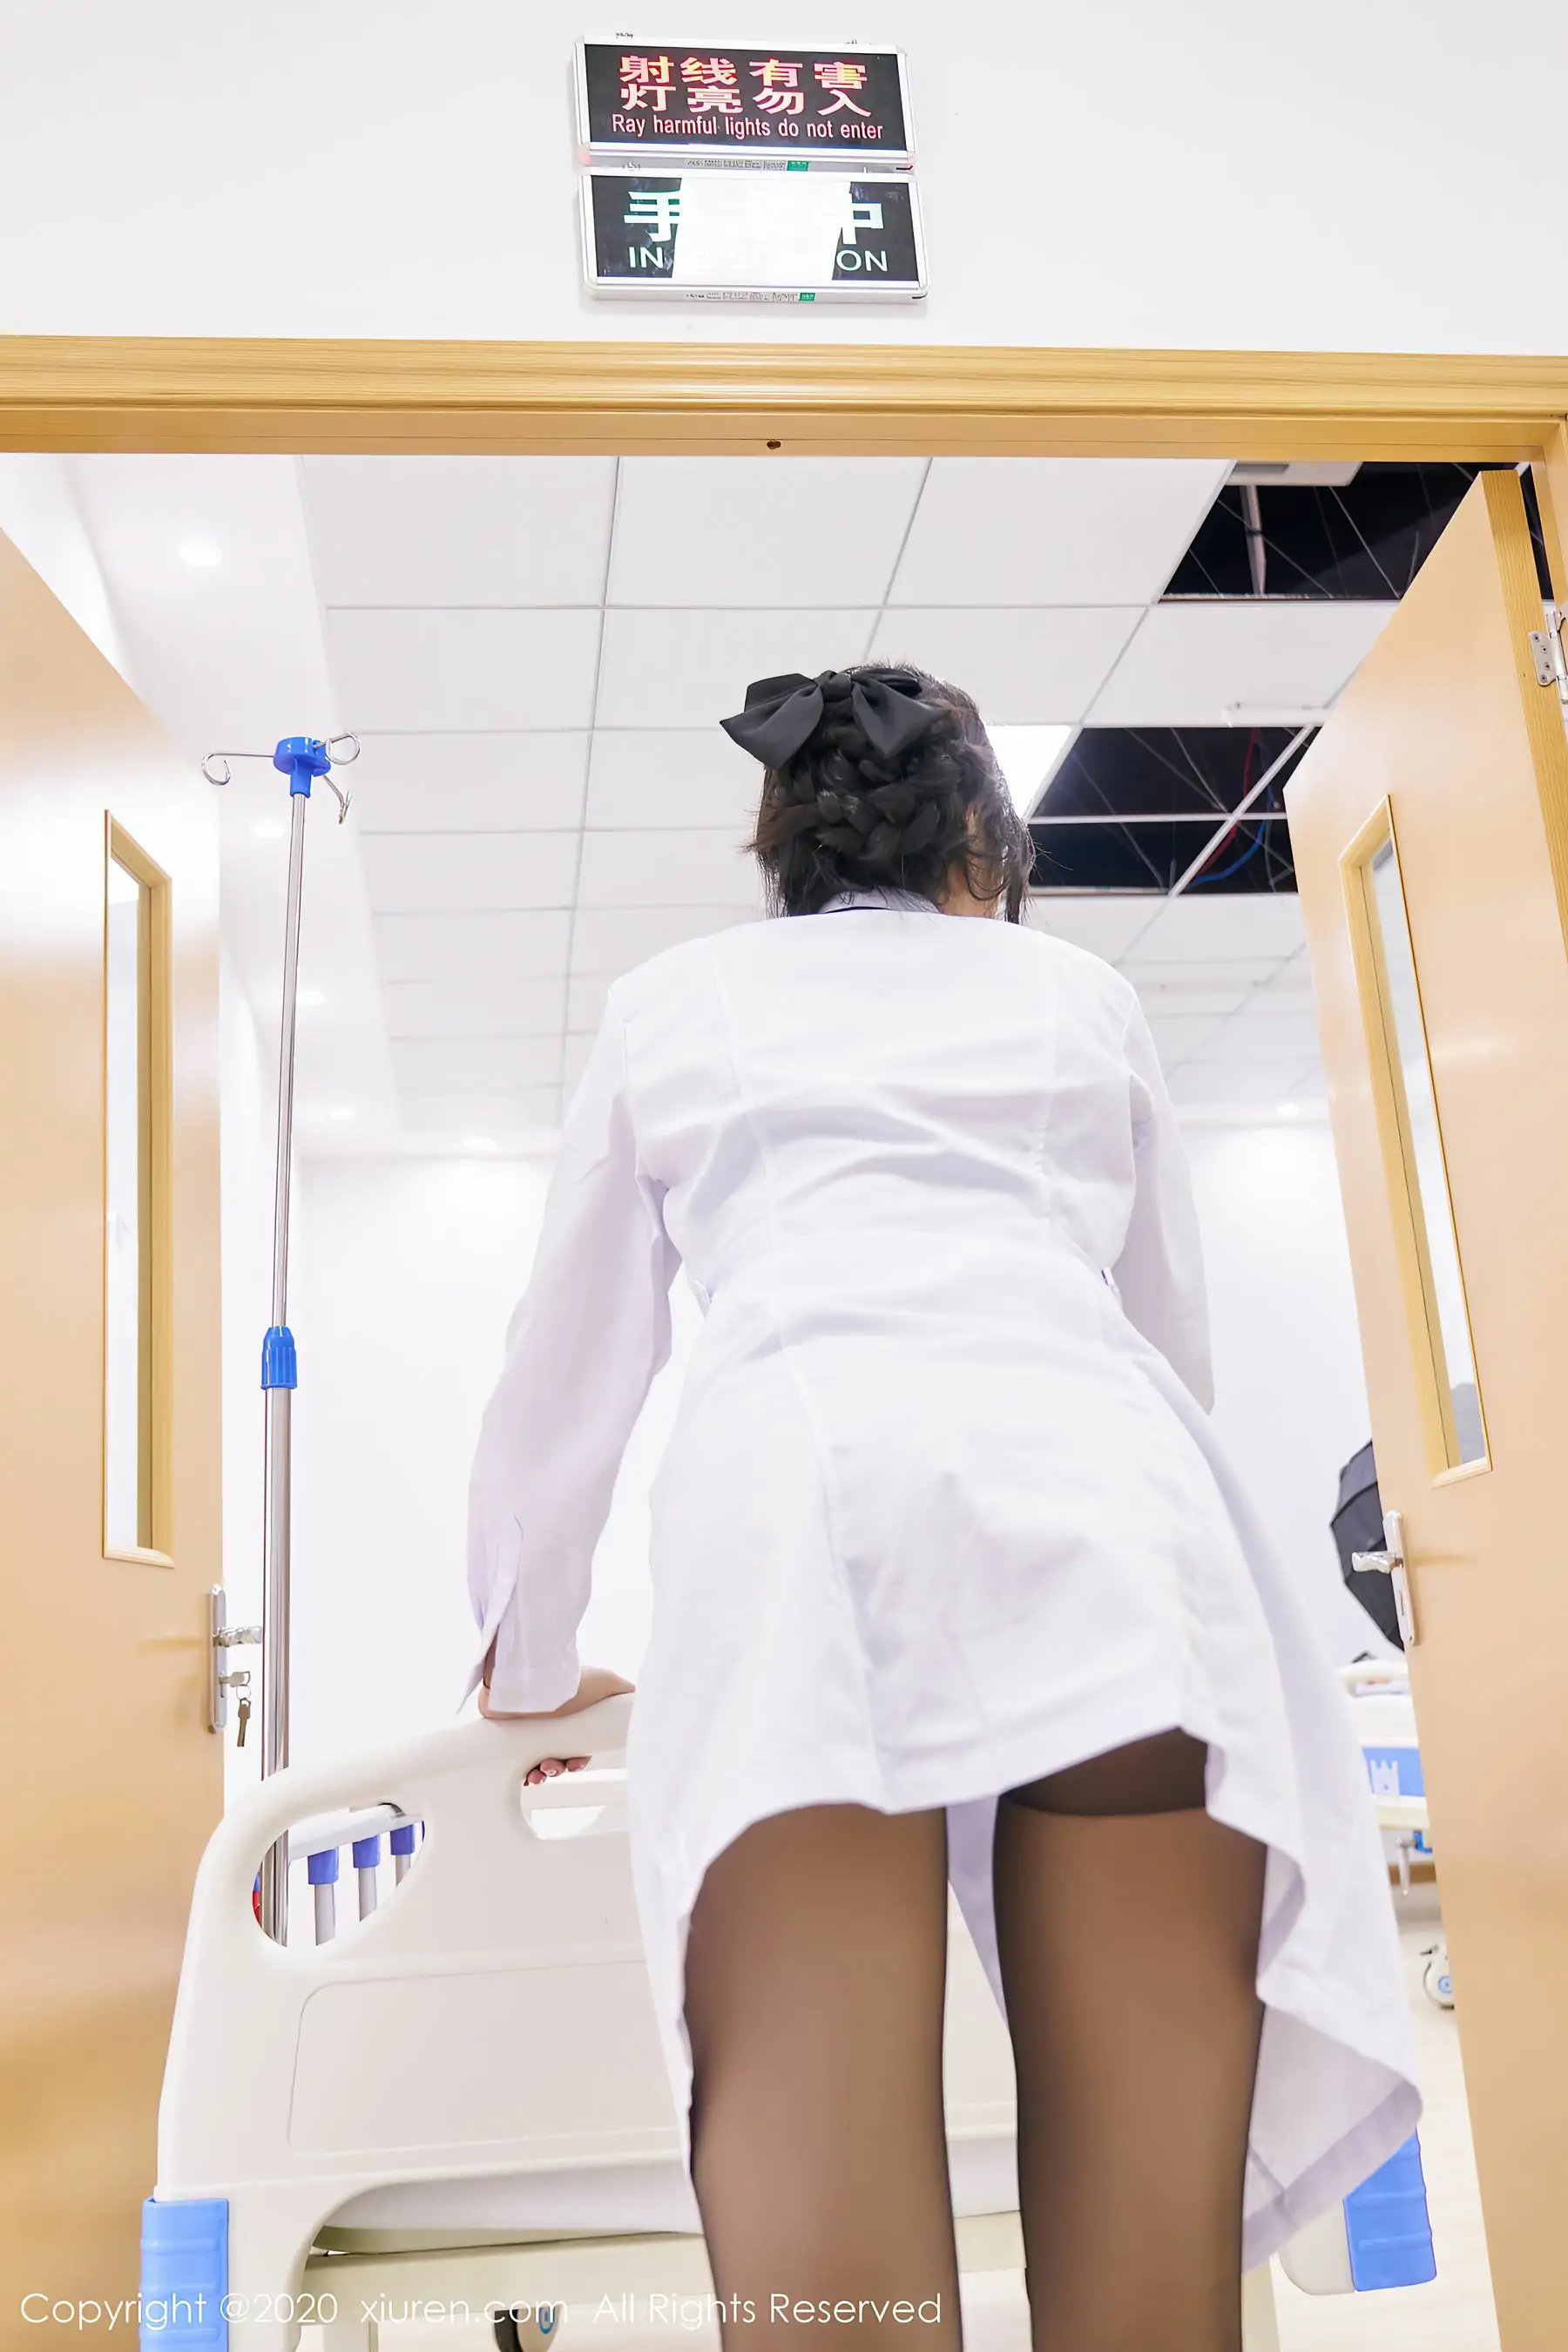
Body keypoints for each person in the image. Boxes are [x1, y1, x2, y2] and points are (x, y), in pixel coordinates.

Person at [468, 664, 1418, 2352]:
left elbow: (567, 1373)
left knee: (840, 2308)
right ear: (985, 845)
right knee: (1149, 2300)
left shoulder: (671, 1005)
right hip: (1117, 1537)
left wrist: (528, 1660)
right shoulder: (1078, 997)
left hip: (801, 1542)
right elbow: (1167, 1339)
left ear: (782, 848)